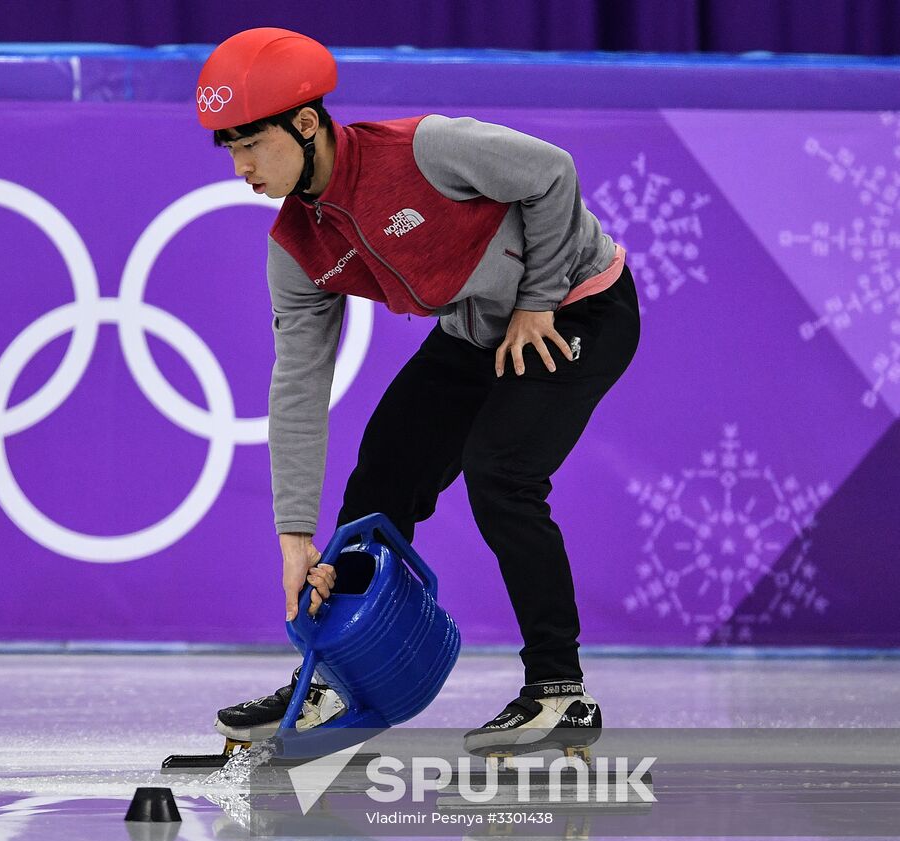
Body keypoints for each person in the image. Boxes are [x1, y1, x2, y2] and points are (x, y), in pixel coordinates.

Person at [196, 28, 639, 757]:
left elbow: (552, 174)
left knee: (503, 470)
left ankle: (559, 691)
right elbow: (299, 387)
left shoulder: (422, 151)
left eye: (250, 144)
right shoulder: (296, 248)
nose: (240, 166)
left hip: (580, 304)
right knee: (379, 485)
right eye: (228, 150)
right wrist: (296, 536)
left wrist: (538, 300)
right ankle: (334, 680)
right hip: (476, 333)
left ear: (306, 124)